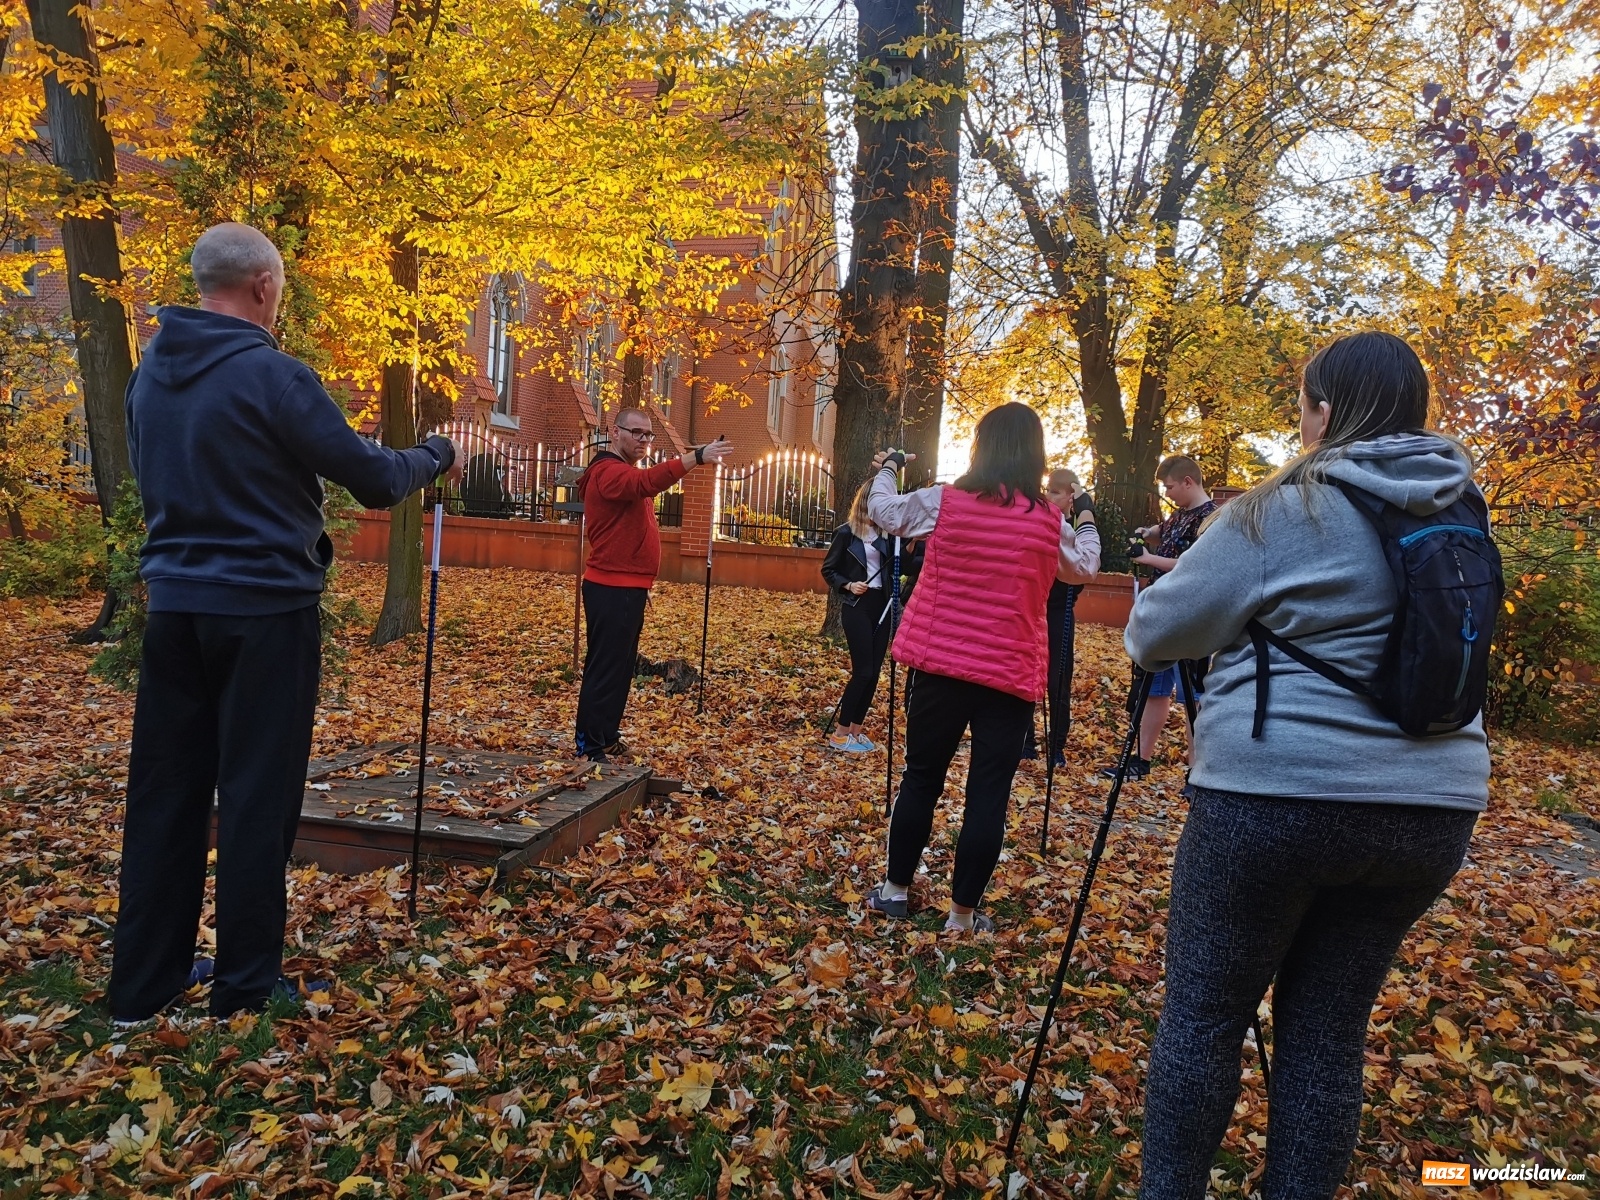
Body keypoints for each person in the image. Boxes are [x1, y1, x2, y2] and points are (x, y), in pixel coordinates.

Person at [1125, 331, 1489, 1199]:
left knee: (1207, 1019)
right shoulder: (1460, 511)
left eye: (1305, 403)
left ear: (1324, 410)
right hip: (1434, 808)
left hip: (1275, 798)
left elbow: (1154, 632)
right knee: (1328, 1032)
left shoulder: (1280, 511)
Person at [112, 223, 461, 1024]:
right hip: (265, 613)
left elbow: (152, 473)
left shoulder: (148, 375)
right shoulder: (273, 375)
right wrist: (434, 454)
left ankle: (143, 983)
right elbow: (373, 477)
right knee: (255, 797)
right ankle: (242, 987)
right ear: (265, 287)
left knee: (166, 791)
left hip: (173, 610)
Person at [862, 404, 1101, 933]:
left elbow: (884, 511)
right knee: (988, 793)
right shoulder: (1048, 520)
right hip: (1009, 675)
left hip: (939, 665)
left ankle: (896, 891)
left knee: (922, 777)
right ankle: (962, 915)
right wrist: (1085, 511)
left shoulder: (946, 502)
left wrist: (887, 467)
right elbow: (1084, 565)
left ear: (981, 445)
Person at [574, 410, 732, 760]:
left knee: (620, 667)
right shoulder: (607, 473)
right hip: (611, 587)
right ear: (614, 432)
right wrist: (696, 457)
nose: (644, 440)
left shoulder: (621, 471)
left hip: (628, 587)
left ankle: (605, 735)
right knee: (606, 667)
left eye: (649, 435)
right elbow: (645, 483)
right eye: (637, 433)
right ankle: (589, 745)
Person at [1105, 455, 1217, 779]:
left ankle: (1196, 771)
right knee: (1153, 688)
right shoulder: (1181, 514)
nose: (1166, 493)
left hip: (1191, 617)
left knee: (1192, 696)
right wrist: (1145, 533)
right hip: (1160, 613)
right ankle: (1141, 761)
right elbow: (1162, 532)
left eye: (1169, 487)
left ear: (1187, 482)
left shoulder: (1211, 519)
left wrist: (1148, 558)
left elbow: (1193, 565)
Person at [1022, 468, 1094, 766]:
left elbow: (1084, 570)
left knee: (1058, 679)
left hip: (1060, 611)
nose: (1048, 496)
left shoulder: (1075, 529)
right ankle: (1026, 742)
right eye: (1047, 490)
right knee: (1025, 674)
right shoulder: (1038, 521)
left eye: (1055, 491)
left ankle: (1056, 746)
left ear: (1070, 497)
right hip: (1032, 609)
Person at [820, 479, 894, 753]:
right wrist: (849, 585)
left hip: (882, 605)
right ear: (868, 499)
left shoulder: (889, 535)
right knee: (862, 671)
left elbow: (906, 565)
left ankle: (855, 731)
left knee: (874, 673)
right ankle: (839, 734)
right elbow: (828, 570)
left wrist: (911, 545)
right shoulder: (846, 533)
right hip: (857, 606)